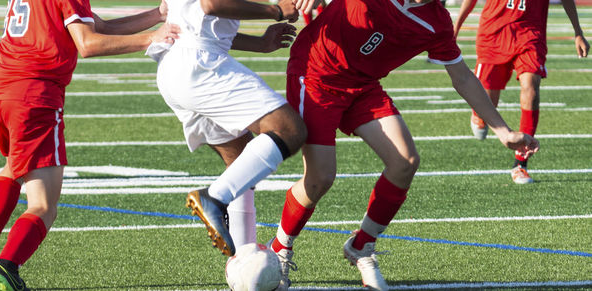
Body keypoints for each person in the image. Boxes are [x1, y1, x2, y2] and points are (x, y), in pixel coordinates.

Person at [260, 0, 540, 290]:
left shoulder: (436, 21)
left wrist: (503, 131)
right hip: (317, 74)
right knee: (320, 178)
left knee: (404, 162)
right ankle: (280, 248)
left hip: (363, 87)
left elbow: (463, 78)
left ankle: (362, 245)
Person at [0, 1, 179, 290]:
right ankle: (7, 266)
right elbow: (87, 43)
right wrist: (151, 37)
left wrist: (157, 15)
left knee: (15, 166)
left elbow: (98, 25)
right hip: (31, 94)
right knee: (44, 205)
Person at [145, 0, 306, 283]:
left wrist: (260, 43)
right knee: (290, 130)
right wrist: (276, 11)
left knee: (241, 162)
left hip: (179, 64)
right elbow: (212, 4)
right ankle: (214, 198)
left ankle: (245, 268)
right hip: (199, 65)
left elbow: (201, 22)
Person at [453, 0, 588, 184]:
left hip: (530, 32)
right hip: (495, 30)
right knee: (487, 101)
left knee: (531, 88)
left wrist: (578, 32)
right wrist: (456, 26)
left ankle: (520, 164)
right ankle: (479, 113)